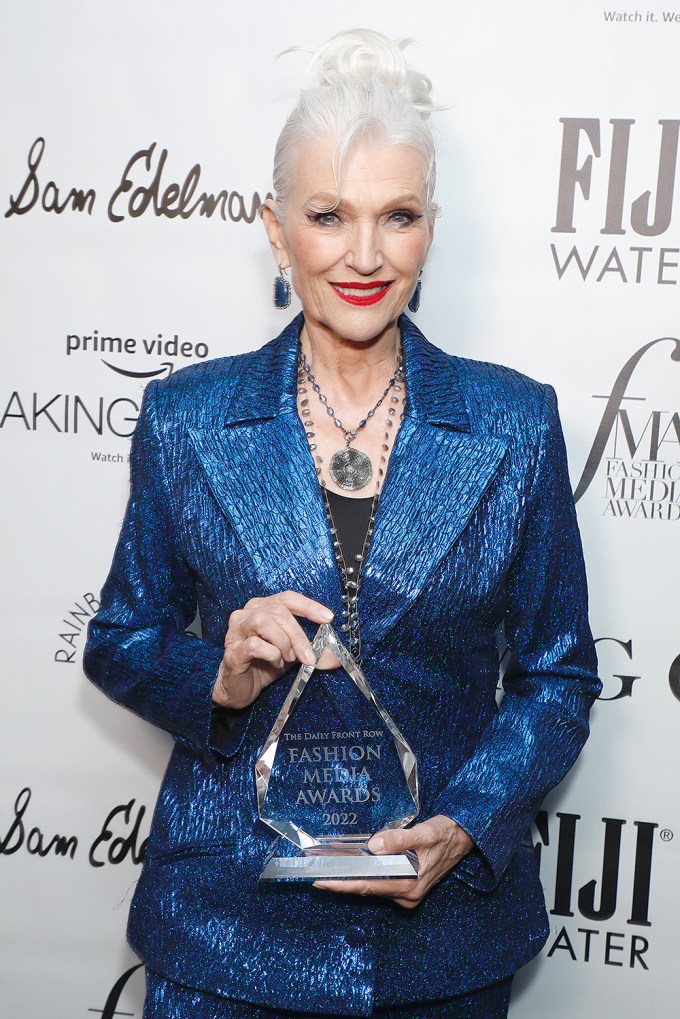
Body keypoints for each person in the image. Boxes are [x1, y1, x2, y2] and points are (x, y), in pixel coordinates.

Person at [84, 29, 601, 1019]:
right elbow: (120, 640)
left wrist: (461, 821)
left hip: (439, 938)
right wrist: (219, 676)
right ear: (276, 232)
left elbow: (557, 676)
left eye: (395, 216)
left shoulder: (513, 422)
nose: (363, 255)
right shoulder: (186, 418)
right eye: (327, 216)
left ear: (429, 230)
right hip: (223, 935)